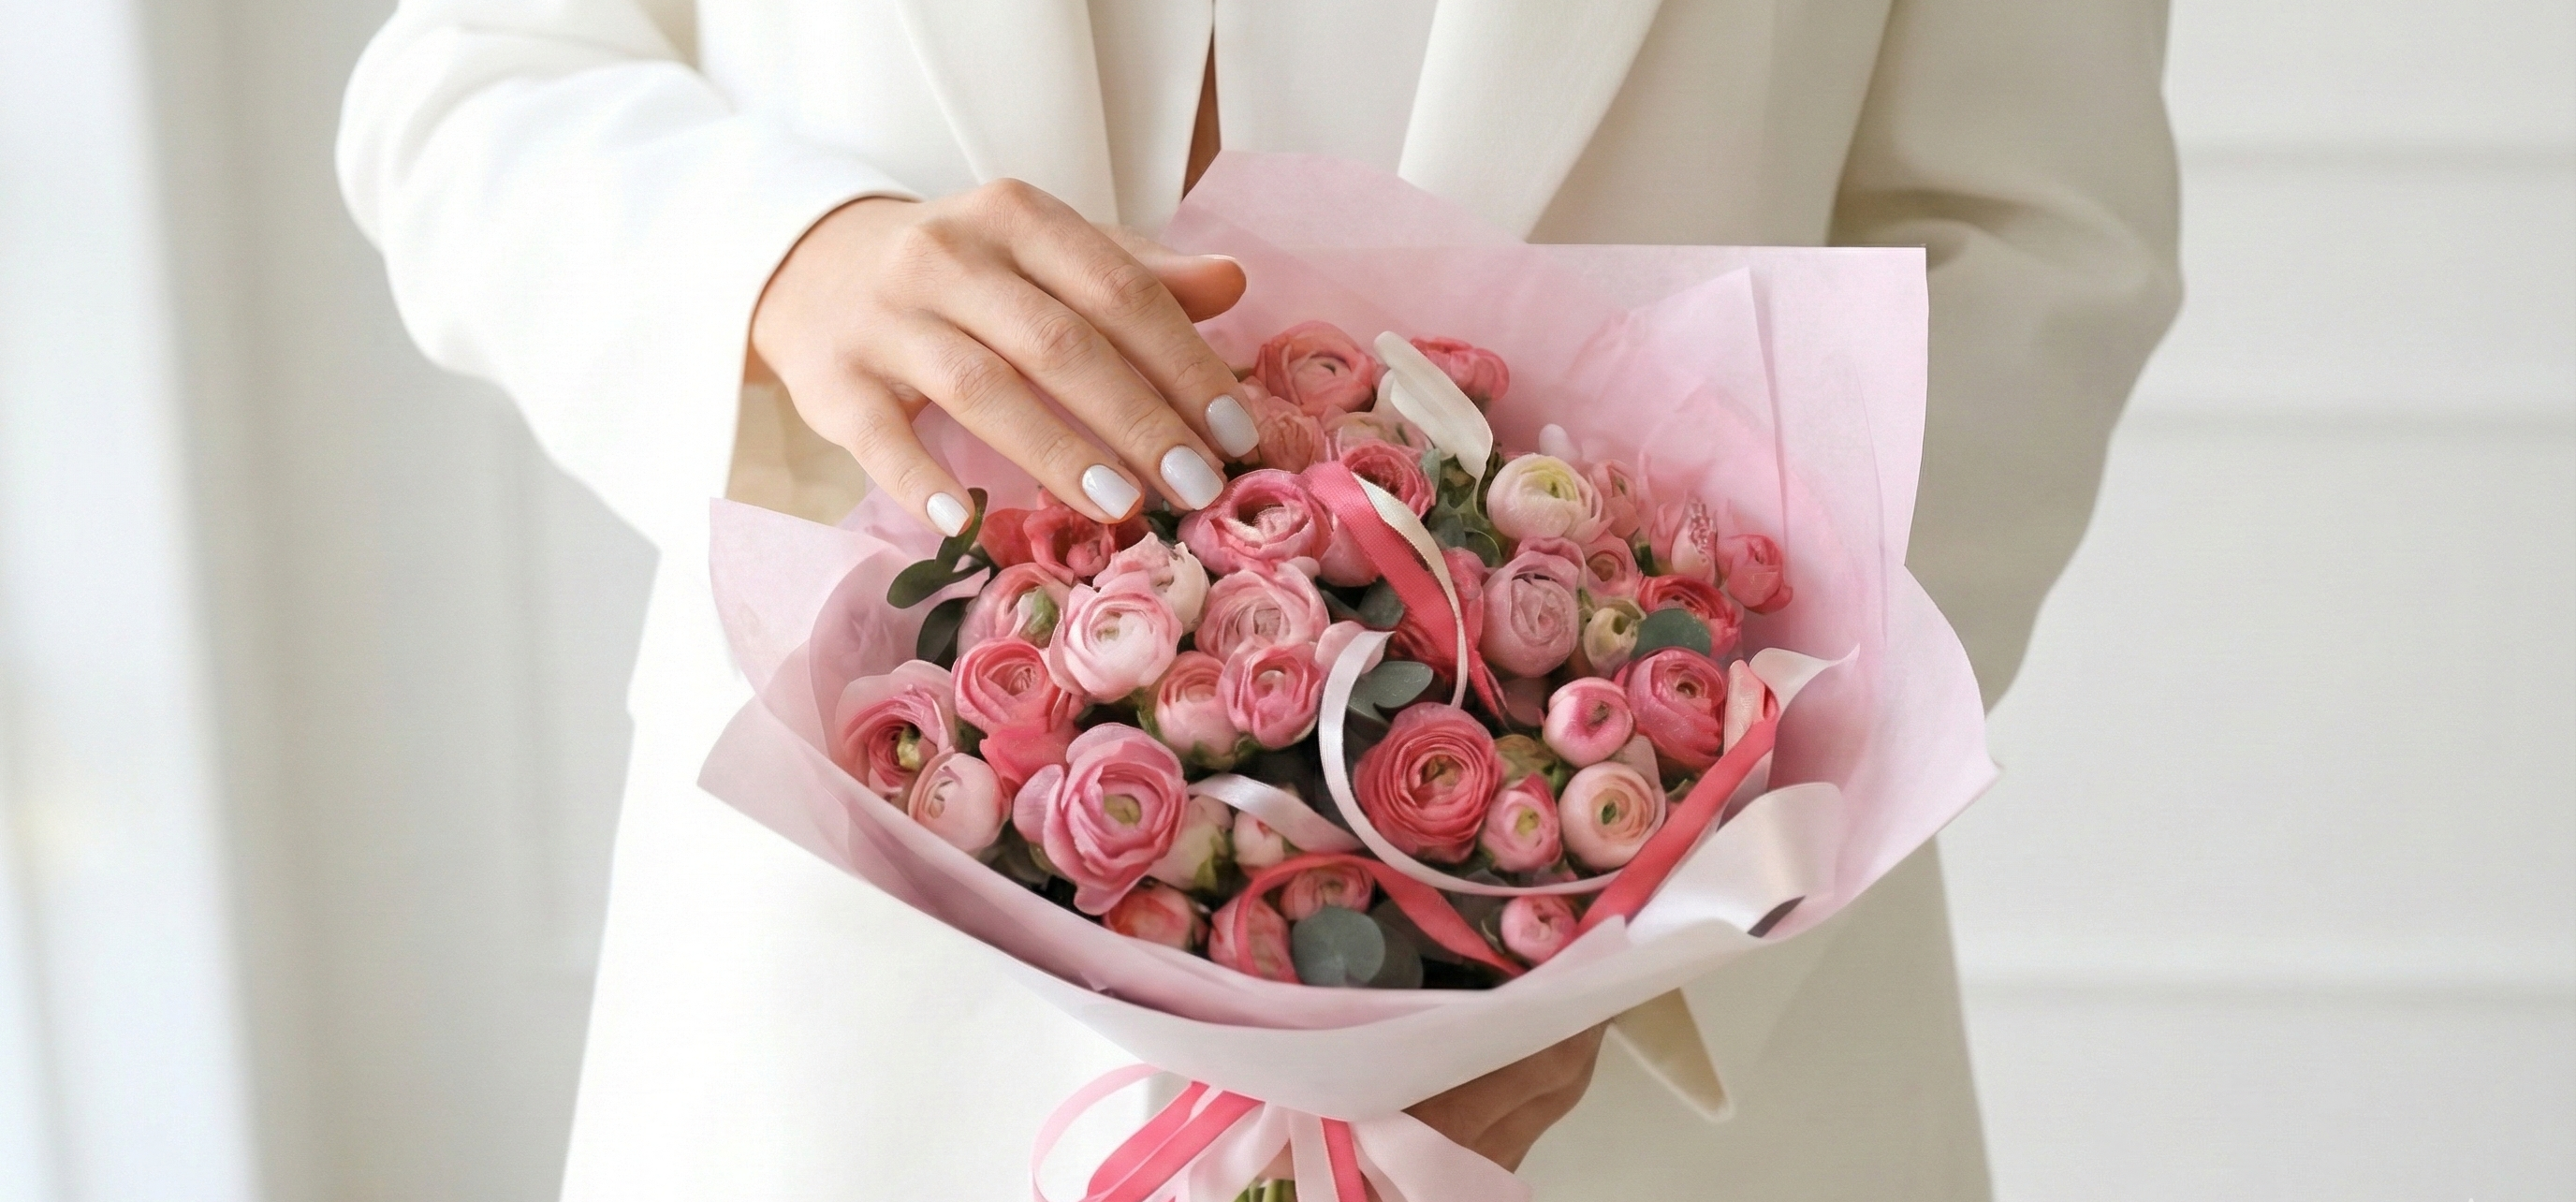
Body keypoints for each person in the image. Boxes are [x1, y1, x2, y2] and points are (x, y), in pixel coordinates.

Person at [339, 3, 2179, 1197]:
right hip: (844, 1019)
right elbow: (474, 78)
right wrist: (782, 263)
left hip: (1647, 1077)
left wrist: (1681, 906)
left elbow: (2031, 244)